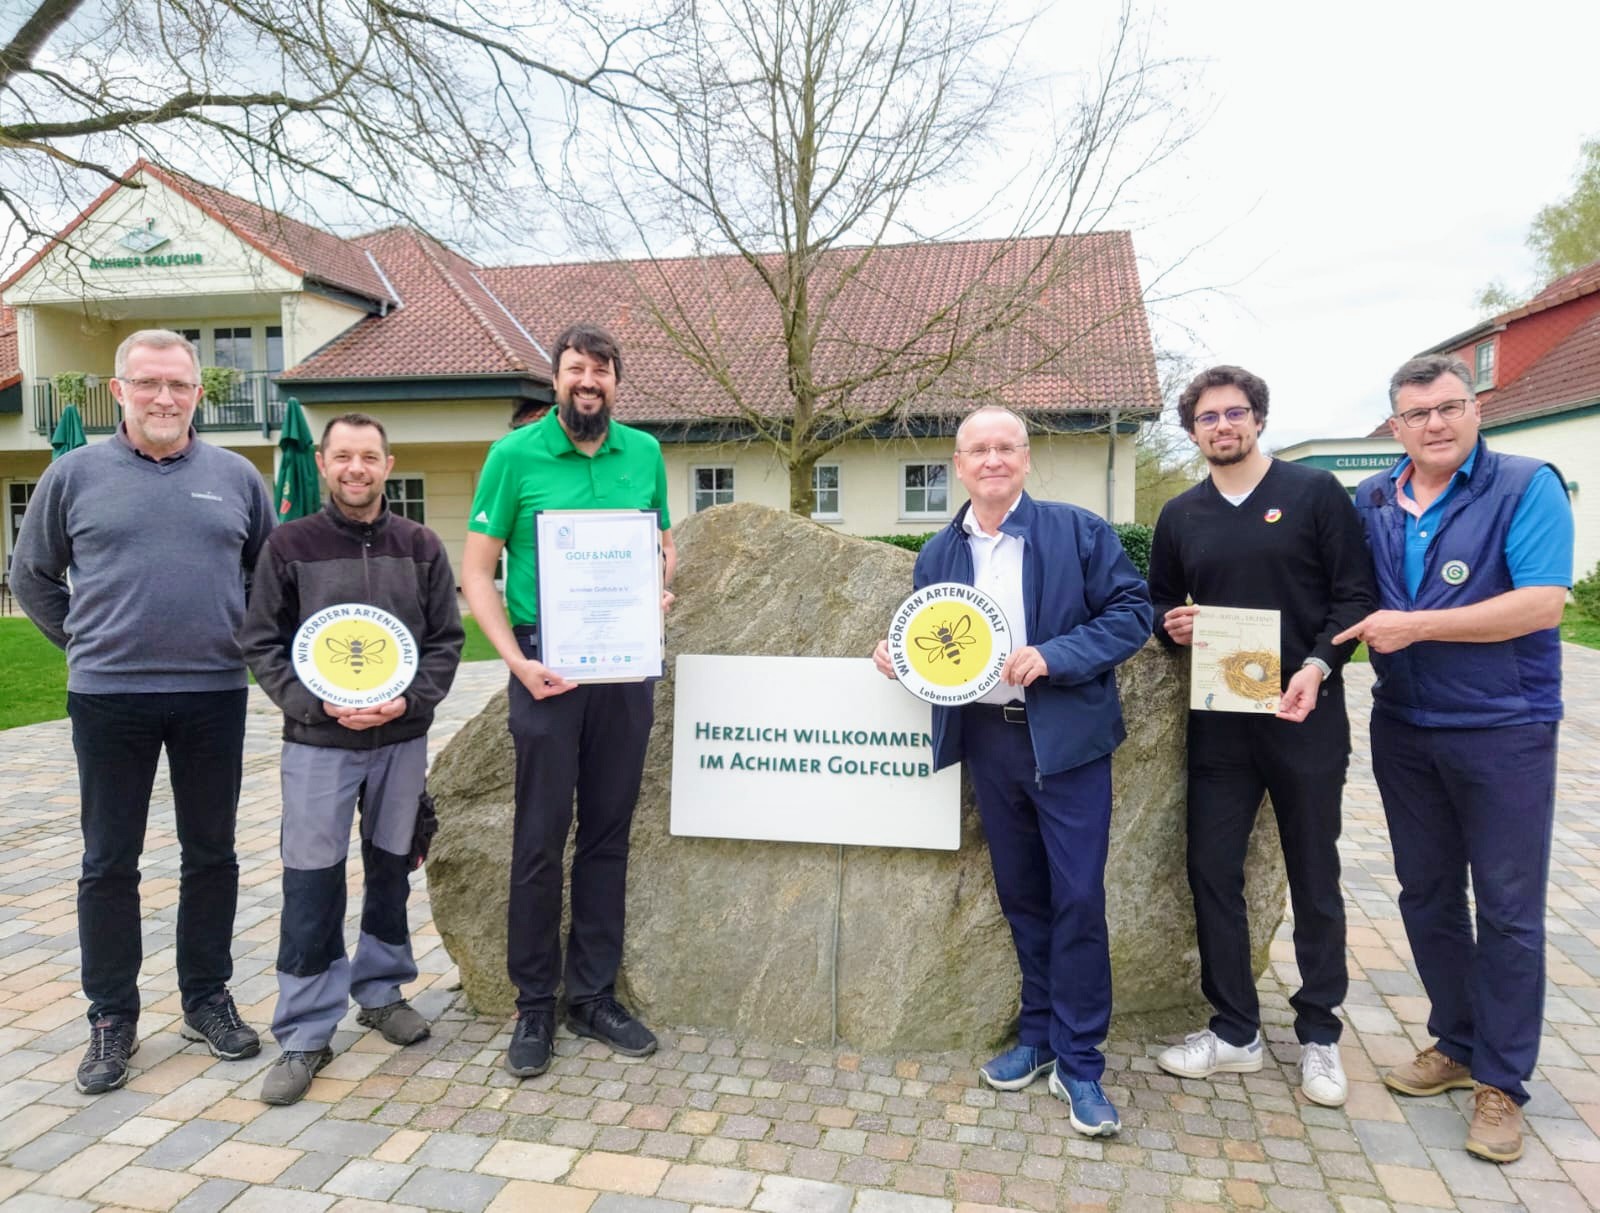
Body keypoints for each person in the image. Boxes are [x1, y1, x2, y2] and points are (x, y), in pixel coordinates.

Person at [872, 405, 1151, 1137]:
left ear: (1026, 459)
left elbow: (1132, 613)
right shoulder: (937, 554)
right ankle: (1035, 1035)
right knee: (1022, 896)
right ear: (958, 466)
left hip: (1067, 743)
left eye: (1006, 447)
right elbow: (937, 647)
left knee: (1080, 898)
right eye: (978, 450)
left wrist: (1056, 655)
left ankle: (1081, 1061)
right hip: (991, 743)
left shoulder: (1079, 531)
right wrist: (899, 659)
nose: (992, 460)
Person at [10, 329, 275, 1095]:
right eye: (149, 383)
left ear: (199, 393)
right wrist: (87, 640)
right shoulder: (73, 474)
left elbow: (265, 575)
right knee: (108, 860)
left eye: (180, 385)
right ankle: (111, 1015)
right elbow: (31, 576)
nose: (165, 397)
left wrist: (244, 640)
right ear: (119, 389)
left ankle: (205, 998)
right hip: (108, 696)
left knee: (213, 853)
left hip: (213, 695)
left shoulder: (237, 476)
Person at [1336, 354, 1572, 1163]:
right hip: (1404, 722)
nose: (1436, 423)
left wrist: (1420, 627)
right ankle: (1457, 1040)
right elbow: (1339, 593)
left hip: (1503, 725)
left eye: (1450, 406)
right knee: (1427, 894)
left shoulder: (1524, 481)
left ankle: (1502, 1083)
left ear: (1476, 410)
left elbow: (1543, 601)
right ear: (1395, 426)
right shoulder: (1374, 498)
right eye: (1418, 412)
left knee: (1508, 909)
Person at [1146, 365, 1376, 1107]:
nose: (1222, 426)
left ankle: (1319, 1035)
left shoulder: (1313, 494)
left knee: (1314, 872)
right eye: (1207, 417)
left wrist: (1318, 664)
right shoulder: (1182, 514)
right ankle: (1236, 1029)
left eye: (1234, 413)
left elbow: (1354, 595)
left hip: (1305, 713)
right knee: (1211, 869)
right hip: (1220, 723)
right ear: (1191, 432)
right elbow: (1157, 600)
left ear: (1258, 419)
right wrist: (1170, 624)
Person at [459, 323, 675, 1078]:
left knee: (609, 834)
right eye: (576, 368)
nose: (589, 380)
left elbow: (660, 541)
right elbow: (478, 570)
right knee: (540, 835)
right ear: (556, 380)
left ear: (618, 381)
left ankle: (592, 995)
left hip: (623, 665)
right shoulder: (513, 455)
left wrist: (657, 586)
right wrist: (516, 660)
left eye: (603, 370)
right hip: (545, 662)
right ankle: (533, 1004)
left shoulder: (643, 452)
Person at [239, 413, 464, 1105]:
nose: (356, 468)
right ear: (326, 462)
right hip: (318, 743)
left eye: (369, 456)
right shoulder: (289, 545)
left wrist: (409, 703)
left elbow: (446, 641)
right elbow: (262, 642)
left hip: (399, 739)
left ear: (388, 464)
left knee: (392, 868)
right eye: (343, 456)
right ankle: (306, 1029)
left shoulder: (421, 546)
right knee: (312, 880)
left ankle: (381, 988)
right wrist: (314, 705)